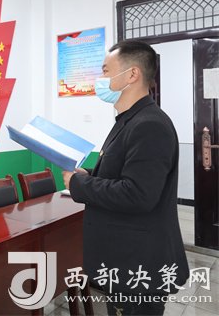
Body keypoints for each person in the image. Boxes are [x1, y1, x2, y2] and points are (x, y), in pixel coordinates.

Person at [62, 40, 189, 315]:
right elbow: (123, 173)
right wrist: (90, 174)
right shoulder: (129, 119)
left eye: (106, 71)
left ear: (132, 74)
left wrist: (78, 184)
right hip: (125, 257)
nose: (101, 80)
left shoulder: (149, 124)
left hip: (138, 261)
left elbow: (138, 194)